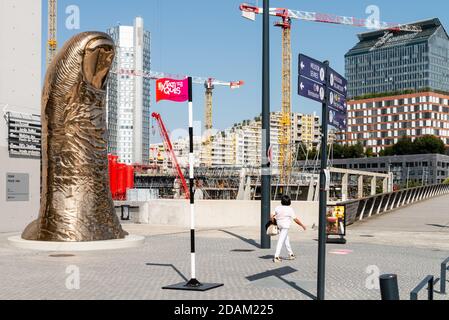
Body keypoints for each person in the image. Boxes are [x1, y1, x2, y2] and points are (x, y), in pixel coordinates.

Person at [271, 195, 307, 263]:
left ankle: (291, 254)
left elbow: (271, 216)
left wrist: (273, 222)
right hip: (285, 227)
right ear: (289, 201)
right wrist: (302, 225)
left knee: (286, 239)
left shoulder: (277, 207)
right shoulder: (290, 209)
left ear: (281, 201)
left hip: (279, 226)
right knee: (281, 241)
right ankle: (276, 256)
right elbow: (295, 219)